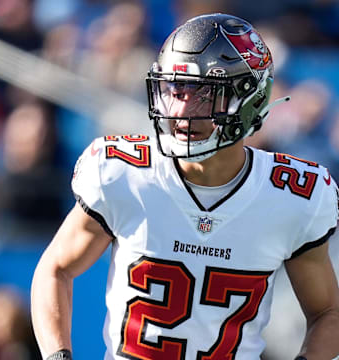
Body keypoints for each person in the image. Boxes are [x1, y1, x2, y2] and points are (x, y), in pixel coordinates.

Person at [30, 13, 339, 360]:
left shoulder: (293, 197)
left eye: (203, 94)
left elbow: (327, 312)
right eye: (174, 90)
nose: (180, 109)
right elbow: (55, 268)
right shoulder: (122, 174)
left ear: (250, 99)